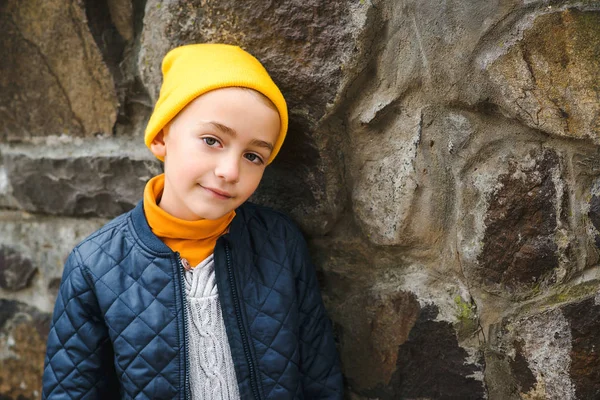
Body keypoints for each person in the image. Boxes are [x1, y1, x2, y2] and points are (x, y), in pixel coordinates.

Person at [41, 43, 343, 399]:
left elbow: (320, 375)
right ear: (160, 137)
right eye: (212, 140)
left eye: (253, 156)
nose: (230, 171)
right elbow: (73, 390)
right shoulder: (95, 265)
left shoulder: (279, 242)